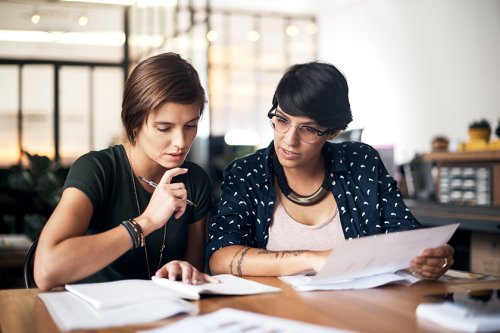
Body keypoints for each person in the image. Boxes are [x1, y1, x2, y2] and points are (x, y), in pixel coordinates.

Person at [206, 61, 454, 279]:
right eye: (282, 120)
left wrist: (431, 258)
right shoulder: (247, 172)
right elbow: (219, 258)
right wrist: (311, 258)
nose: (289, 140)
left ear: (333, 132)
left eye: (308, 129)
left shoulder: (361, 163)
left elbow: (406, 239)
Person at [35, 52, 217, 291]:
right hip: (95, 317)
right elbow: (46, 271)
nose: (180, 142)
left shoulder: (194, 180)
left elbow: (194, 273)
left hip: (165, 315)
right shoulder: (97, 169)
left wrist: (184, 270)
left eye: (191, 126)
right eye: (164, 128)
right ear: (134, 121)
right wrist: (145, 222)